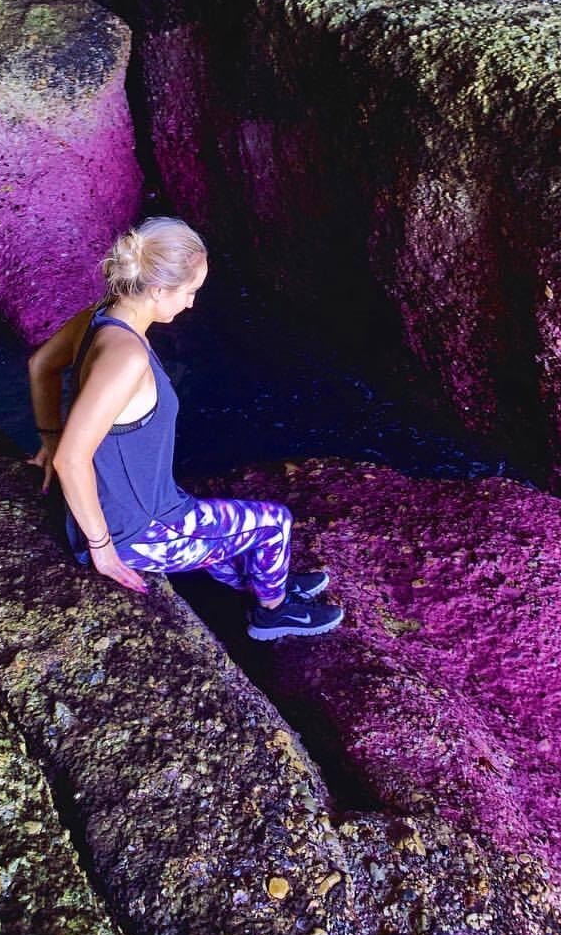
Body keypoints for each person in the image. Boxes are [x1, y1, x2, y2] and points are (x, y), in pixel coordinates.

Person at [27, 216, 344, 640]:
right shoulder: (127, 358)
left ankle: (267, 582)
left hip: (140, 506)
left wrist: (48, 436)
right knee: (273, 523)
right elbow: (72, 458)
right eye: (190, 291)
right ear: (158, 289)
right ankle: (273, 613)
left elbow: (41, 365)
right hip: (139, 529)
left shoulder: (98, 318)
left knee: (222, 535)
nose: (192, 304)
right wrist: (102, 548)